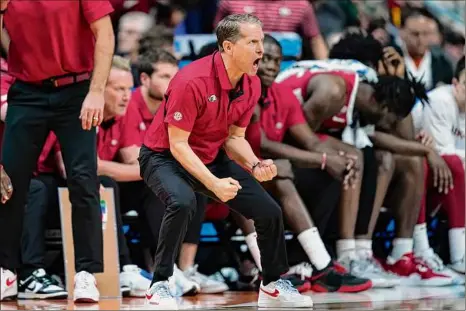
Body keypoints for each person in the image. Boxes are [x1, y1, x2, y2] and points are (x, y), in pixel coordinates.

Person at [139, 14, 312, 309]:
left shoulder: (252, 84)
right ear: (228, 47)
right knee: (182, 202)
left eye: (261, 40)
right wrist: (213, 183)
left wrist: (255, 164)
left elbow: (234, 138)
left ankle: (271, 285)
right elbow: (178, 145)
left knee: (269, 211)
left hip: (210, 155)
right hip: (164, 156)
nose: (261, 49)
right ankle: (160, 285)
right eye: (253, 42)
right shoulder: (191, 80)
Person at [235, 34, 372, 293]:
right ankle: (291, 267)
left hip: (265, 171)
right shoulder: (240, 91)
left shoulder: (282, 94)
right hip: (235, 170)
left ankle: (313, 261)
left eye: (277, 61)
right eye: (265, 60)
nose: (272, 67)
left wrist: (334, 158)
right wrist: (321, 159)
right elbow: (261, 143)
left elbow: (309, 140)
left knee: (329, 173)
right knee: (279, 173)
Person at [0, 0, 114, 302]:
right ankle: (6, 271)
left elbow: (105, 33)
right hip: (27, 91)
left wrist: (97, 91)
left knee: (83, 179)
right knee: (9, 181)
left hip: (76, 89)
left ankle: (86, 274)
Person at [329, 32, 461, 285]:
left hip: (357, 162)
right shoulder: (354, 84)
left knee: (410, 159)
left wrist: (398, 81)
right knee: (389, 158)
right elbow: (377, 136)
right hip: (336, 163)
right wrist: (424, 150)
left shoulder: (378, 89)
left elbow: (405, 134)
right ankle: (359, 253)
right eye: (380, 61)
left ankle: (404, 253)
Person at [124, 49, 226, 295]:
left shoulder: (179, 101)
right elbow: (130, 157)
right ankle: (164, 270)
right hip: (128, 182)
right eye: (164, 75)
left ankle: (186, 268)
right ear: (145, 79)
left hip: (154, 173)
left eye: (175, 75)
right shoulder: (131, 103)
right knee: (167, 184)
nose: (173, 82)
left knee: (196, 179)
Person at [413, 57, 465, 275]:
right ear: (455, 84)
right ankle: (456, 253)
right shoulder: (440, 101)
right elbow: (445, 155)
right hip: (424, 171)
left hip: (448, 175)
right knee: (452, 165)